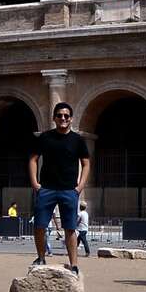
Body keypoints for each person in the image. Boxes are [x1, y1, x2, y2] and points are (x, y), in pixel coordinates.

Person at [29, 102, 91, 275]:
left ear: (71, 119)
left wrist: (79, 187)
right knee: (40, 225)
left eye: (66, 116)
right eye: (59, 115)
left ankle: (74, 263)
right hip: (46, 188)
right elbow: (33, 159)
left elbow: (86, 164)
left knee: (70, 228)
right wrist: (35, 184)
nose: (63, 118)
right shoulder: (45, 137)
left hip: (69, 190)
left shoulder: (77, 140)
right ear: (54, 118)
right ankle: (41, 257)